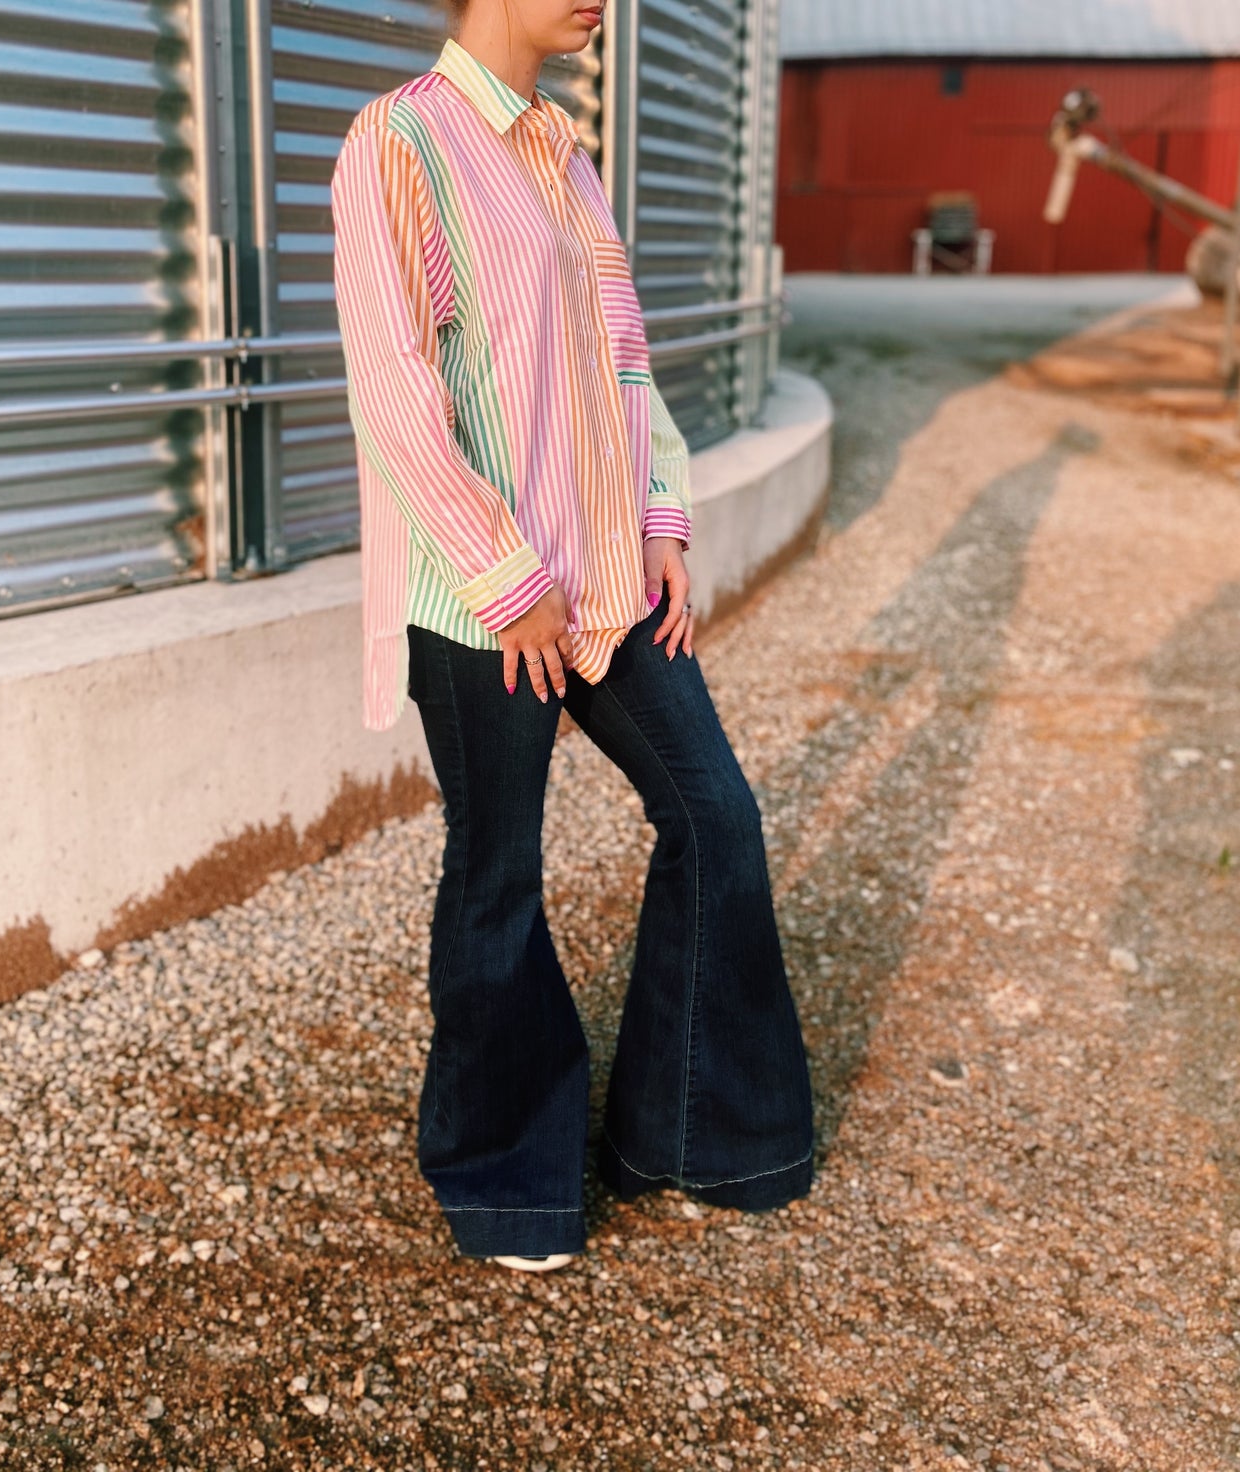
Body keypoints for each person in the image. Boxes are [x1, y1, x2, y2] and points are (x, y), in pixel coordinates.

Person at [331, 0, 814, 1273]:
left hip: (610, 577)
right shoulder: (397, 143)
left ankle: (688, 1130)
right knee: (497, 873)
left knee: (717, 817)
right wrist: (504, 574)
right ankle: (502, 1178)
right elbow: (391, 390)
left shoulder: (563, 150)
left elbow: (625, 358)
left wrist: (662, 517)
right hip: (485, 596)